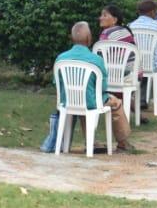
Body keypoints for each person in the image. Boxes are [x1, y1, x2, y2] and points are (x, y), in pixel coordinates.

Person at [56, 21, 131, 151]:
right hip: (90, 102)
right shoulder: (96, 60)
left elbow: (57, 83)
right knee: (116, 103)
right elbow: (103, 88)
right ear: (89, 39)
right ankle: (123, 143)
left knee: (84, 103)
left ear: (71, 38)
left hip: (67, 101)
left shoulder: (61, 58)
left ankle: (92, 143)